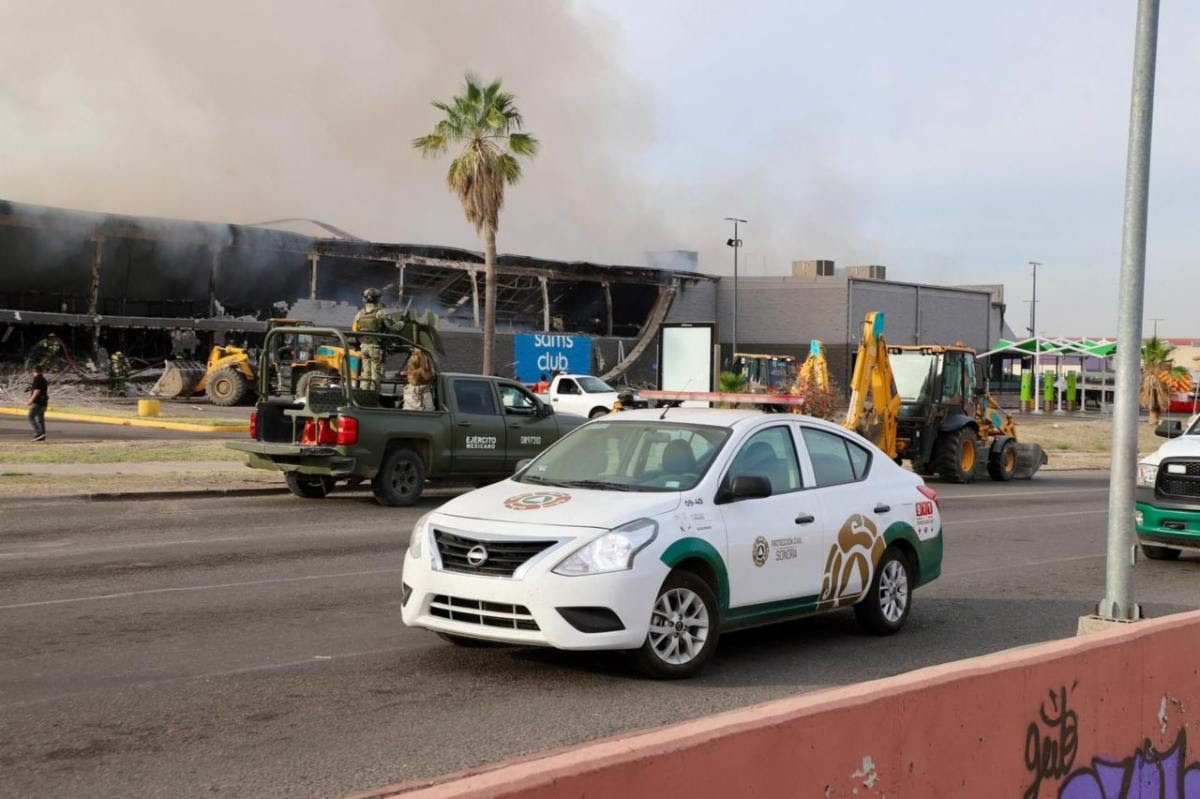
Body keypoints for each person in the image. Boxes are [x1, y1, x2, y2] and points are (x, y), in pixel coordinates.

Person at [353, 288, 386, 391]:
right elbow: (393, 327)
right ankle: (374, 394)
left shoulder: (360, 313)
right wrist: (401, 322)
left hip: (364, 347)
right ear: (377, 299)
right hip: (375, 347)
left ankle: (365, 393)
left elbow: (354, 329)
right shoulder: (380, 313)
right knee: (375, 374)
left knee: (366, 374)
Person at [27, 365, 48, 442]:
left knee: (30, 416)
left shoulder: (37, 379)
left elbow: (37, 391)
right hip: (44, 402)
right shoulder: (43, 379)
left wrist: (31, 399)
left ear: (34, 372)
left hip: (38, 402)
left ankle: (39, 433)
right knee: (40, 419)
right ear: (42, 371)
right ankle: (42, 436)